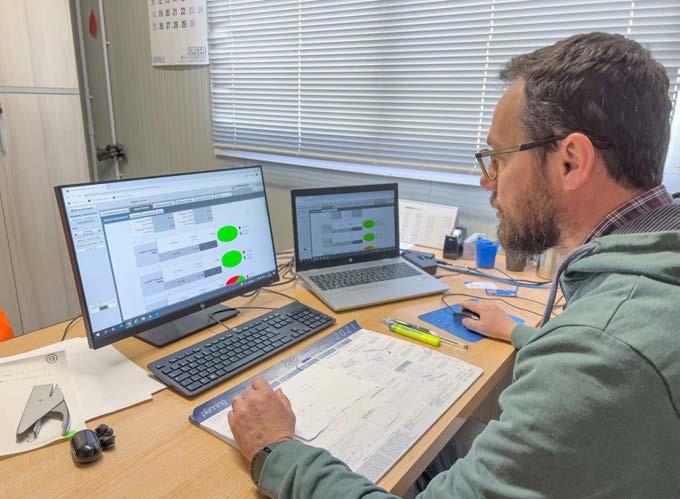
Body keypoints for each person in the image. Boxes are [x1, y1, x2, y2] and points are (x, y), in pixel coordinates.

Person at [227, 32, 680, 498]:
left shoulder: (601, 350)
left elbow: (600, 357)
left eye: (498, 159)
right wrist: (520, 333)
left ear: (571, 161)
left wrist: (275, 447)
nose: (487, 181)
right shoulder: (652, 279)